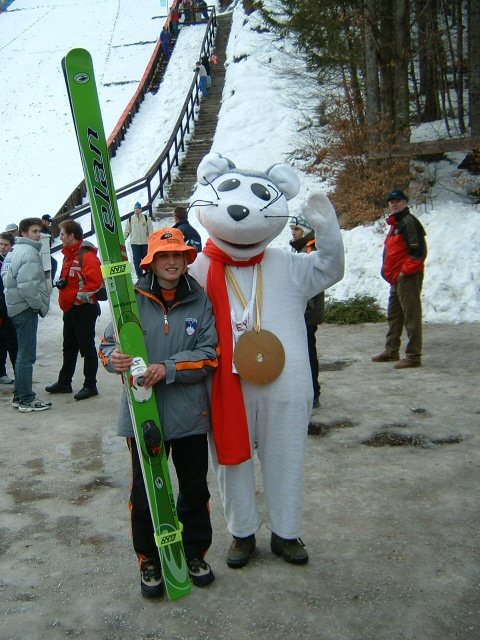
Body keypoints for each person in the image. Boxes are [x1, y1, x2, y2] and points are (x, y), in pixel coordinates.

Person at [99, 227, 219, 596]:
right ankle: (149, 558)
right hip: (141, 415)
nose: (171, 262)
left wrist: (167, 368)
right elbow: (106, 344)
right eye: (164, 256)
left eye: (178, 256)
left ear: (186, 261)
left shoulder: (199, 301)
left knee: (194, 487)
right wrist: (112, 359)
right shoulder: (129, 300)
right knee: (145, 488)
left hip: (189, 416)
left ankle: (194, 552)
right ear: (150, 261)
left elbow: (209, 354)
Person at [45, 220, 103, 400]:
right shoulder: (68, 255)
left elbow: (95, 283)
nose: (60, 237)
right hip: (71, 309)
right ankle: (64, 382)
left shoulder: (86, 256)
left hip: (84, 309)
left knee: (86, 348)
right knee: (68, 346)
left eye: (62, 234)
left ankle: (90, 385)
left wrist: (77, 298)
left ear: (72, 236)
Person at [372, 189, 427, 369]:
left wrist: (405, 272)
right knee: (394, 316)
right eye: (391, 201)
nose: (394, 204)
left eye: (398, 201)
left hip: (407, 277)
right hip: (397, 279)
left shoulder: (409, 223)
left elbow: (418, 252)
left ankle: (413, 355)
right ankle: (391, 351)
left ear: (405, 202)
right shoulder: (396, 224)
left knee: (411, 315)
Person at [1, 217, 51, 412]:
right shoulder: (28, 252)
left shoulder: (14, 251)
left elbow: (7, 278)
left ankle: (19, 395)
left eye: (39, 231)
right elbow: (27, 286)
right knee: (26, 355)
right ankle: (25, 398)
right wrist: (38, 305)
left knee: (22, 353)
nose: (38, 235)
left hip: (15, 307)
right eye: (34, 231)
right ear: (23, 233)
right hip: (24, 309)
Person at [289, 215, 325, 408]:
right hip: (305, 310)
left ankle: (313, 392)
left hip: (307, 313)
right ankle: (308, 390)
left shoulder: (310, 249)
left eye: (297, 229)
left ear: (306, 230)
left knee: (308, 352)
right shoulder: (302, 247)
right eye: (292, 229)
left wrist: (303, 308)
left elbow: (312, 284)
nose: (293, 232)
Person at [0, 232, 18, 385]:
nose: (2, 247)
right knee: (4, 340)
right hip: (2, 307)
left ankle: (18, 372)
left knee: (11, 341)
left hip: (10, 306)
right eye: (0, 244)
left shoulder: (13, 259)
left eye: (6, 244)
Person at [123, 202, 154, 279]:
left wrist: (151, 239)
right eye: (136, 210)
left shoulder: (146, 218)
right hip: (134, 243)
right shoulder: (130, 219)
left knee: (145, 259)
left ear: (141, 210)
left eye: (138, 209)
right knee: (136, 260)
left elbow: (150, 230)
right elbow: (127, 230)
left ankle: (147, 274)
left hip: (144, 242)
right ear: (134, 210)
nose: (137, 211)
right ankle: (139, 275)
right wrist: (123, 238)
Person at [41, 214, 58, 281]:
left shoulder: (46, 230)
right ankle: (49, 282)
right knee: (53, 264)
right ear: (44, 221)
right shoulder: (41, 230)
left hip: (46, 252)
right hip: (43, 253)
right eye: (48, 222)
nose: (49, 224)